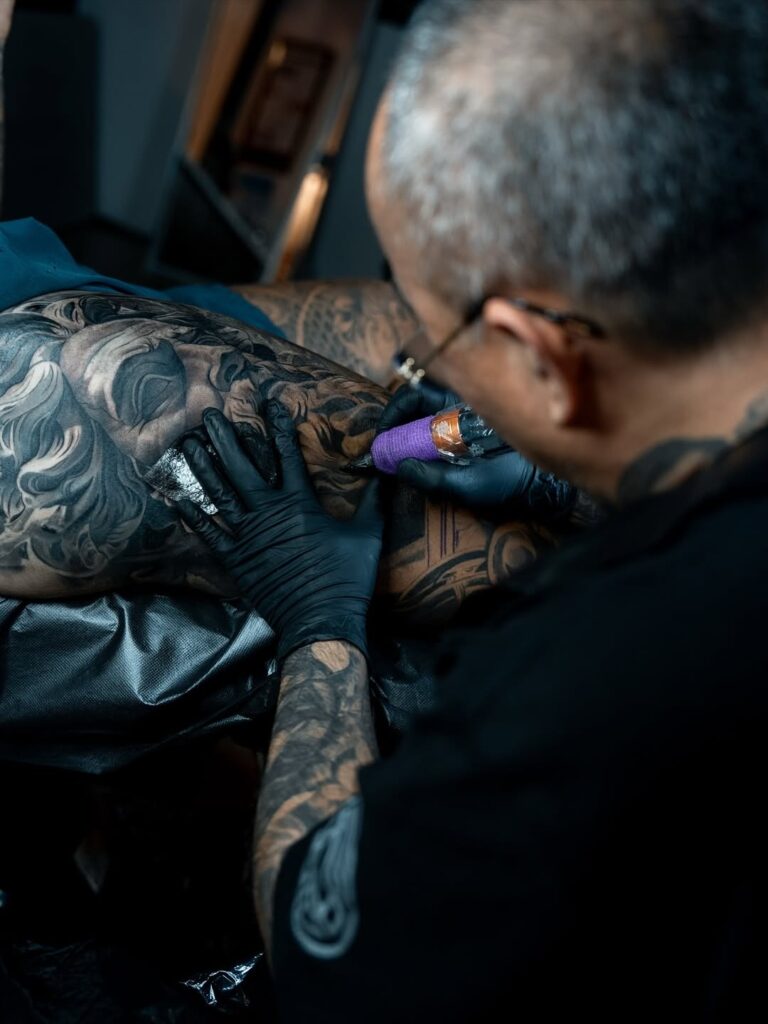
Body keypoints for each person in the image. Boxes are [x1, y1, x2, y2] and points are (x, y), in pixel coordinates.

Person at [177, 1, 768, 1020]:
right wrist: (563, 475)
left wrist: (319, 626)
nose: (419, 367)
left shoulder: (577, 685)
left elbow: (325, 951)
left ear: (542, 357)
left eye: (432, 341)